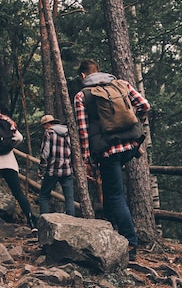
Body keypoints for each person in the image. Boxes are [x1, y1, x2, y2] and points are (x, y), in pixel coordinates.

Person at [73, 59, 150, 261]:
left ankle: (131, 243)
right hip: (130, 146)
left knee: (115, 195)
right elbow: (144, 105)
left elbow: (83, 130)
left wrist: (87, 159)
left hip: (107, 150)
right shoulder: (121, 84)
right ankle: (113, 233)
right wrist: (135, 126)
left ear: (83, 76)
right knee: (110, 192)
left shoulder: (82, 95)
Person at [0, 102, 39, 232]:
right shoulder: (6, 121)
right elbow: (19, 137)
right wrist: (9, 146)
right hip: (8, 162)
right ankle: (31, 220)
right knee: (17, 192)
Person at [38, 115, 75, 216]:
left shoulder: (49, 132)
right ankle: (72, 223)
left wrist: (41, 169)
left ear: (47, 124)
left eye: (43, 126)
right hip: (67, 170)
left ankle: (44, 222)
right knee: (69, 199)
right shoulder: (68, 132)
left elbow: (45, 153)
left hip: (52, 170)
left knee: (44, 196)